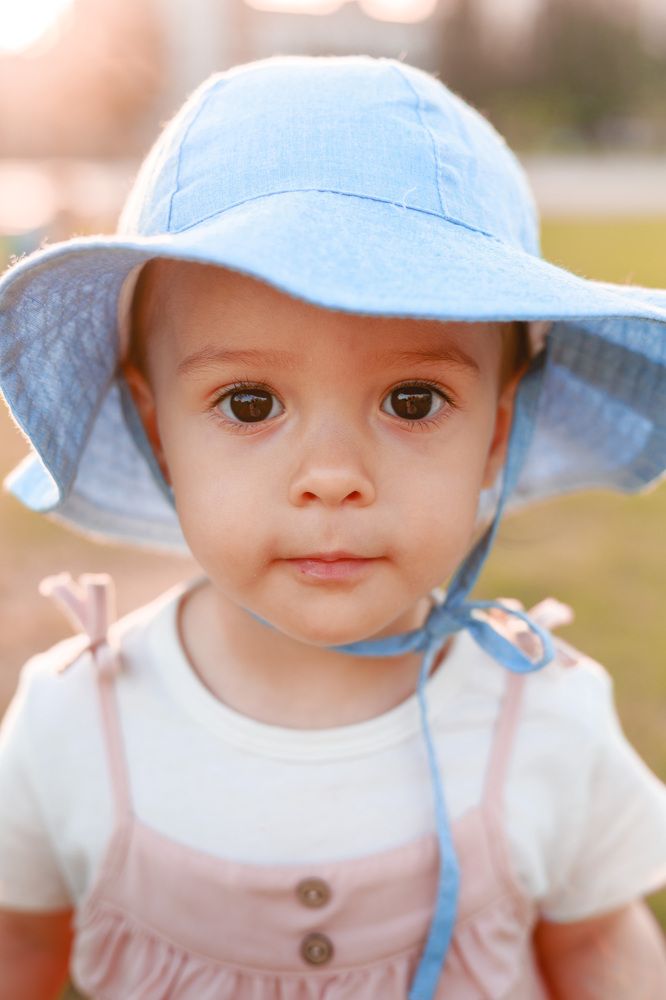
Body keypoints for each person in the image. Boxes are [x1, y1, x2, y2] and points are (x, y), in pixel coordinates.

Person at [0, 55, 665, 1000]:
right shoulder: (74, 723)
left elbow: (599, 948)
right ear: (158, 434)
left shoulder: (543, 716)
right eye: (249, 402)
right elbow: (20, 949)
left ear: (495, 433)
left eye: (411, 399)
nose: (332, 478)